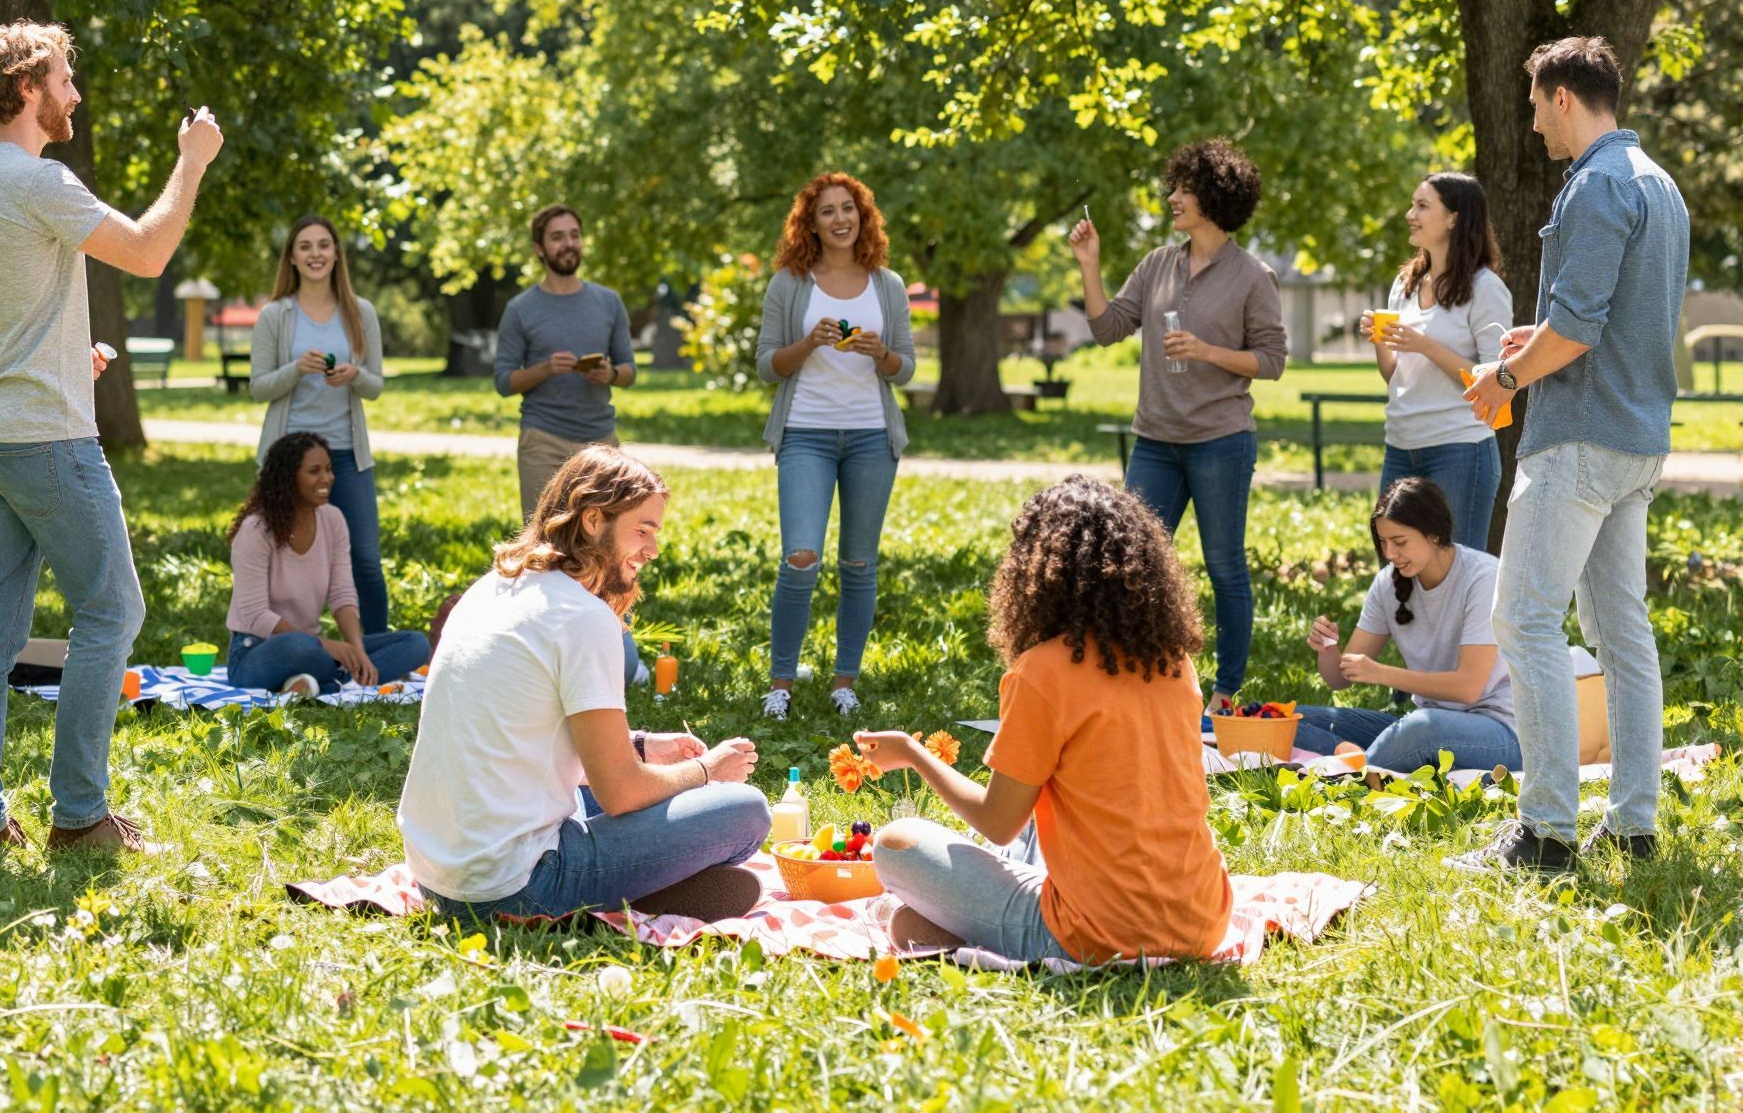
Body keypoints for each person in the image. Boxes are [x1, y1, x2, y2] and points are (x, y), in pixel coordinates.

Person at [0, 19, 222, 854]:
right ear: (26, 89)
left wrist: (59, 357)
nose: (75, 94)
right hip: (45, 442)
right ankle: (80, 816)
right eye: (63, 78)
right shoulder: (36, 179)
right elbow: (151, 251)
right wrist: (191, 158)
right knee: (112, 609)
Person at [1452, 37, 1689, 874]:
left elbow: (1582, 329)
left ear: (1562, 97)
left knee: (1522, 619)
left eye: (1533, 103)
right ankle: (1633, 821)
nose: (1530, 122)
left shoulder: (1595, 185)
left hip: (1580, 440)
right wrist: (1537, 339)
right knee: (1623, 635)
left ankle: (1546, 832)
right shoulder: (1659, 185)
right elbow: (1609, 320)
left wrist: (1508, 375)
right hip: (1637, 439)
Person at [855, 477, 1232, 965]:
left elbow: (998, 823)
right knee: (1039, 819)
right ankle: (959, 923)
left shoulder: (1042, 672)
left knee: (895, 843)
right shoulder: (1173, 661)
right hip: (1202, 921)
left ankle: (968, 925)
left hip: (1098, 936)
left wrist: (912, 754)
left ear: (1037, 573)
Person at [399, 446, 770, 917]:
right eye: (644, 529)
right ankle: (624, 894)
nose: (653, 550)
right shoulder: (581, 616)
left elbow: (524, 737)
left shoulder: (491, 587)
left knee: (646, 787)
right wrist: (707, 772)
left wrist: (639, 747)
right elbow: (621, 794)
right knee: (744, 809)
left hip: (437, 873)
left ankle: (637, 884)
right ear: (593, 520)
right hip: (515, 885)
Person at [1069, 138, 1287, 716]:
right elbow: (1108, 327)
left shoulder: (1251, 276)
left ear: (1213, 197)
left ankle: (1225, 691)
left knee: (1223, 565)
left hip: (1220, 441)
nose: (1172, 198)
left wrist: (1209, 351)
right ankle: (1136, 675)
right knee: (1130, 563)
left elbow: (1271, 360)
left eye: (1182, 190)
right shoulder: (1158, 265)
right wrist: (1090, 267)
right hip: (1156, 442)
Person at [753, 171, 917, 719]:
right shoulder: (789, 283)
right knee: (801, 556)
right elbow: (766, 366)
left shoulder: (887, 285)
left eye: (849, 208)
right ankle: (781, 684)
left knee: (858, 563)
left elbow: (907, 369)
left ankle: (844, 680)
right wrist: (809, 342)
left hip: (872, 437)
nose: (841, 219)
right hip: (805, 435)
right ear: (811, 223)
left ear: (862, 215)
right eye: (828, 211)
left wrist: (879, 353)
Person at [1294, 478, 1518, 772]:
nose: (1389, 554)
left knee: (1420, 728)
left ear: (1434, 533)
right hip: (1428, 724)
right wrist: (1327, 648)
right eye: (1383, 542)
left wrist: (1381, 674)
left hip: (1501, 732)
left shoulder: (1484, 578)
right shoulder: (1388, 583)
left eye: (1399, 542)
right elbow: (1340, 679)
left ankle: (1351, 779)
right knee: (1296, 718)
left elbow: (1468, 688)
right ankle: (1357, 761)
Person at [249, 215, 391, 625]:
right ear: (292, 257)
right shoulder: (276, 315)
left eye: (324, 245)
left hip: (346, 455)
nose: (316, 254)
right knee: (280, 555)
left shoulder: (360, 312)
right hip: (289, 457)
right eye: (306, 246)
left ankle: (373, 650)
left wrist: (354, 375)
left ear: (336, 254)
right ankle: (281, 645)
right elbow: (259, 388)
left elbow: (376, 386)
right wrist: (296, 369)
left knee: (365, 557)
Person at [1362, 173, 1513, 552]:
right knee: (1395, 564)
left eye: (1422, 206)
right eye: (1413, 204)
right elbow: (1394, 375)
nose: (1409, 213)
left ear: (1454, 218)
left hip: (1459, 449)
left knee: (1455, 570)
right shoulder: (1406, 283)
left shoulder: (1486, 289)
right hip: (1400, 444)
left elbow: (1496, 379)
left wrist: (1425, 345)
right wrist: (1381, 342)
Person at [225, 433, 431, 694]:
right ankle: (339, 679)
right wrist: (325, 646)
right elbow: (256, 615)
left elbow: (342, 594)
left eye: (329, 469)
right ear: (288, 478)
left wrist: (355, 648)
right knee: (301, 648)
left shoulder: (333, 520)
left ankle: (316, 682)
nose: (328, 478)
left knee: (415, 644)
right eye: (315, 471)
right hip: (258, 651)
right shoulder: (255, 531)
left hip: (315, 647)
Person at [494, 204, 635, 520]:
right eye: (557, 237)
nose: (569, 243)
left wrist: (610, 373)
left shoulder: (609, 302)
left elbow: (630, 371)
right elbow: (503, 381)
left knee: (602, 539)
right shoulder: (520, 309)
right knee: (543, 541)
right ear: (539, 248)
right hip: (543, 440)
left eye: (574, 235)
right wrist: (544, 370)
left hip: (601, 442)